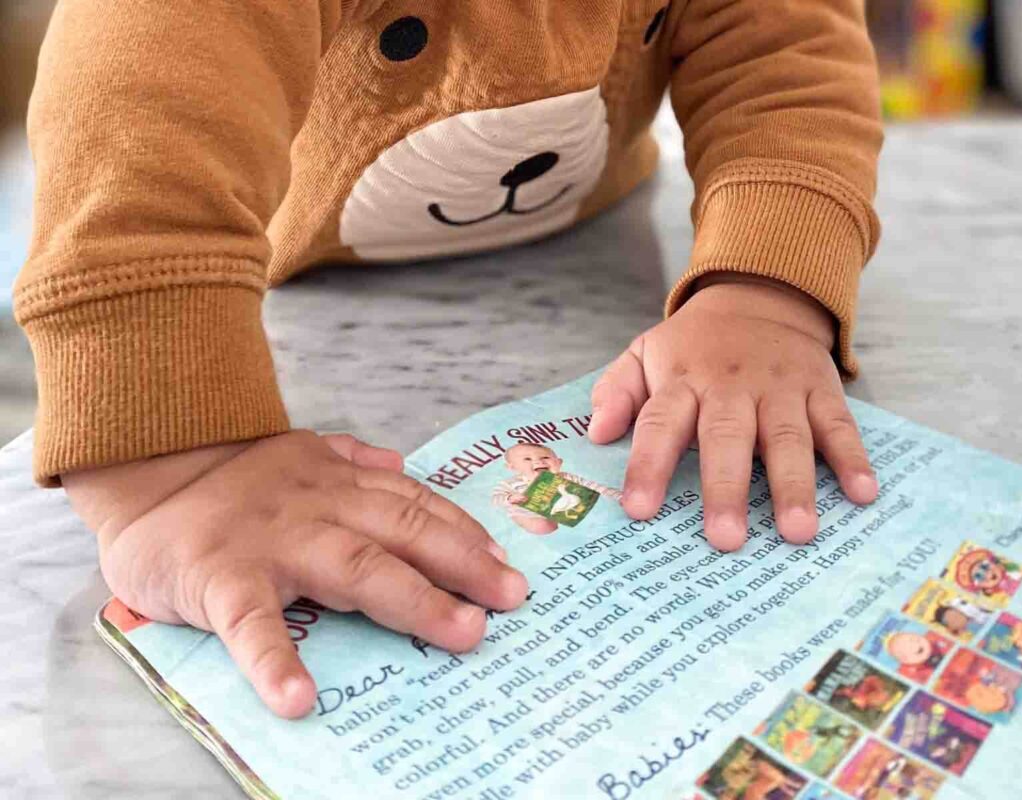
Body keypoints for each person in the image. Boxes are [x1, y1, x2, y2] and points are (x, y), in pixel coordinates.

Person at [15, 0, 884, 717]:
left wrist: (765, 283)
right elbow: (143, 106)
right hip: (286, 283)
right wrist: (172, 464)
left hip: (595, 236)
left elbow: (785, 54)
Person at [491, 444, 621, 534]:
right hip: (528, 513)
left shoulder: (565, 478)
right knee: (543, 528)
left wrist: (617, 495)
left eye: (545, 458)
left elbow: (593, 486)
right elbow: (495, 499)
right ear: (512, 467)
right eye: (527, 459)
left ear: (559, 463)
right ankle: (527, 522)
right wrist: (509, 498)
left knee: (595, 514)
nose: (538, 462)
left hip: (561, 510)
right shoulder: (510, 484)